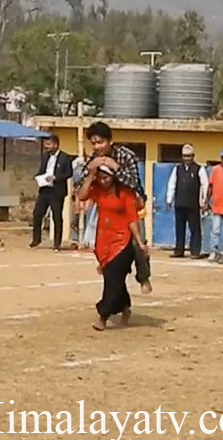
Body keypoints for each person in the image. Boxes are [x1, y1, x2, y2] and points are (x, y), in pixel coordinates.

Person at [79, 157, 150, 332]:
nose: (104, 181)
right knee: (114, 279)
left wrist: (139, 242)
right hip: (104, 241)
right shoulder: (98, 190)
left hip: (122, 241)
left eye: (107, 177)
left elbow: (132, 219)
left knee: (112, 279)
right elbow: (82, 196)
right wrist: (90, 176)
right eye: (101, 177)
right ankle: (125, 307)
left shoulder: (125, 193)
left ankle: (102, 315)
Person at [84, 122, 151, 285]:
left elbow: (134, 183)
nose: (97, 147)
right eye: (93, 143)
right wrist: (91, 172)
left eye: (100, 142)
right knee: (102, 243)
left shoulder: (125, 156)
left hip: (131, 205)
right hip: (109, 208)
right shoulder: (94, 160)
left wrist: (115, 168)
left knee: (137, 243)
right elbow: (83, 184)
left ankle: (143, 277)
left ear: (110, 141)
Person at [29, 135, 72, 249]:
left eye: (48, 144)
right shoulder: (45, 157)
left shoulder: (64, 157)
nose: (46, 146)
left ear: (55, 145)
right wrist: (38, 177)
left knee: (56, 217)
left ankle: (57, 243)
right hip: (44, 190)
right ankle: (36, 239)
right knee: (37, 213)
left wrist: (56, 177)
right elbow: (42, 170)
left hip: (56, 191)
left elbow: (69, 173)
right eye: (45, 144)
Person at [164, 146, 205, 259]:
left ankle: (195, 251)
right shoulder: (177, 169)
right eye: (185, 156)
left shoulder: (199, 169)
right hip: (180, 203)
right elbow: (172, 184)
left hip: (193, 204)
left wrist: (204, 201)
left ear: (193, 156)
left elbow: (205, 186)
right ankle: (179, 251)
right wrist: (169, 200)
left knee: (195, 229)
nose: (187, 158)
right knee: (179, 228)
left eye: (189, 156)